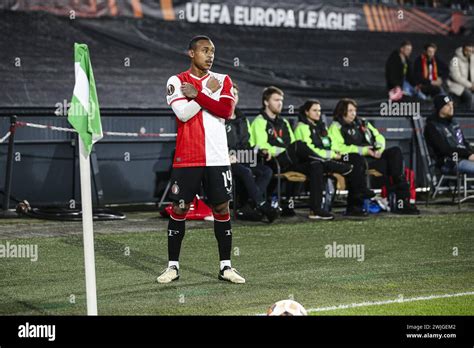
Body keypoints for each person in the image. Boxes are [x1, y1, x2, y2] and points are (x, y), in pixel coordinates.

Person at [158, 35, 245, 284]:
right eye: (205, 50)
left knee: (221, 208)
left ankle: (226, 267)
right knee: (180, 208)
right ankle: (172, 267)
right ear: (191, 53)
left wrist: (198, 94)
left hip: (217, 157)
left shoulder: (223, 80)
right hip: (188, 157)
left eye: (213, 51)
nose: (210, 55)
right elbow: (183, 114)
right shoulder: (176, 80)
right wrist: (206, 93)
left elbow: (226, 111)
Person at [251, 87, 353, 220]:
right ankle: (330, 163)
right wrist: (287, 151)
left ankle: (315, 210)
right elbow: (263, 147)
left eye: (281, 100)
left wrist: (292, 151)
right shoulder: (259, 122)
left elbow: (293, 146)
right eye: (276, 100)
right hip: (274, 162)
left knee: (315, 164)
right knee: (299, 144)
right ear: (266, 102)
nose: (280, 103)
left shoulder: (284, 122)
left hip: (291, 161)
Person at [328, 98, 420, 215]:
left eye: (354, 110)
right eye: (350, 110)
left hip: (372, 157)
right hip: (352, 159)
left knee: (395, 152)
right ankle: (356, 206)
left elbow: (378, 136)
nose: (353, 113)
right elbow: (338, 148)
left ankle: (402, 201)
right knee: (356, 159)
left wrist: (379, 149)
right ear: (342, 112)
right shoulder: (335, 127)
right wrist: (365, 150)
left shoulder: (362, 122)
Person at [294, 100, 375, 216]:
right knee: (321, 165)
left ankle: (358, 196)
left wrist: (333, 152)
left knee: (356, 161)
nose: (318, 113)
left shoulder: (321, 127)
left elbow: (328, 144)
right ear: (306, 112)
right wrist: (332, 154)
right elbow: (309, 150)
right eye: (314, 110)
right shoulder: (302, 127)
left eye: (319, 111)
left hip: (324, 159)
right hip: (308, 161)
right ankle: (317, 209)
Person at [225, 83, 279, 222]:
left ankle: (248, 206)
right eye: (230, 93)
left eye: (235, 94)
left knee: (266, 171)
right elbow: (213, 143)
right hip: (225, 161)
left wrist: (260, 150)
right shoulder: (218, 118)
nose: (233, 97)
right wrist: (227, 155)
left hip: (243, 157)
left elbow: (248, 144)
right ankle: (262, 205)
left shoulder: (243, 119)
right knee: (246, 172)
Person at [424, 94, 474, 175]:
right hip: (448, 163)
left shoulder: (454, 124)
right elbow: (445, 150)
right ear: (440, 108)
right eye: (447, 105)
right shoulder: (432, 127)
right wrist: (468, 155)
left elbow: (463, 143)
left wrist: (470, 152)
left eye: (452, 105)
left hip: (463, 158)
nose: (451, 107)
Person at [447, 43, 474, 110]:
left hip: (471, 86)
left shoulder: (472, 59)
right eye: (467, 50)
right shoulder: (455, 60)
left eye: (471, 51)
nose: (469, 53)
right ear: (463, 50)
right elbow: (455, 76)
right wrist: (470, 85)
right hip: (457, 86)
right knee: (469, 96)